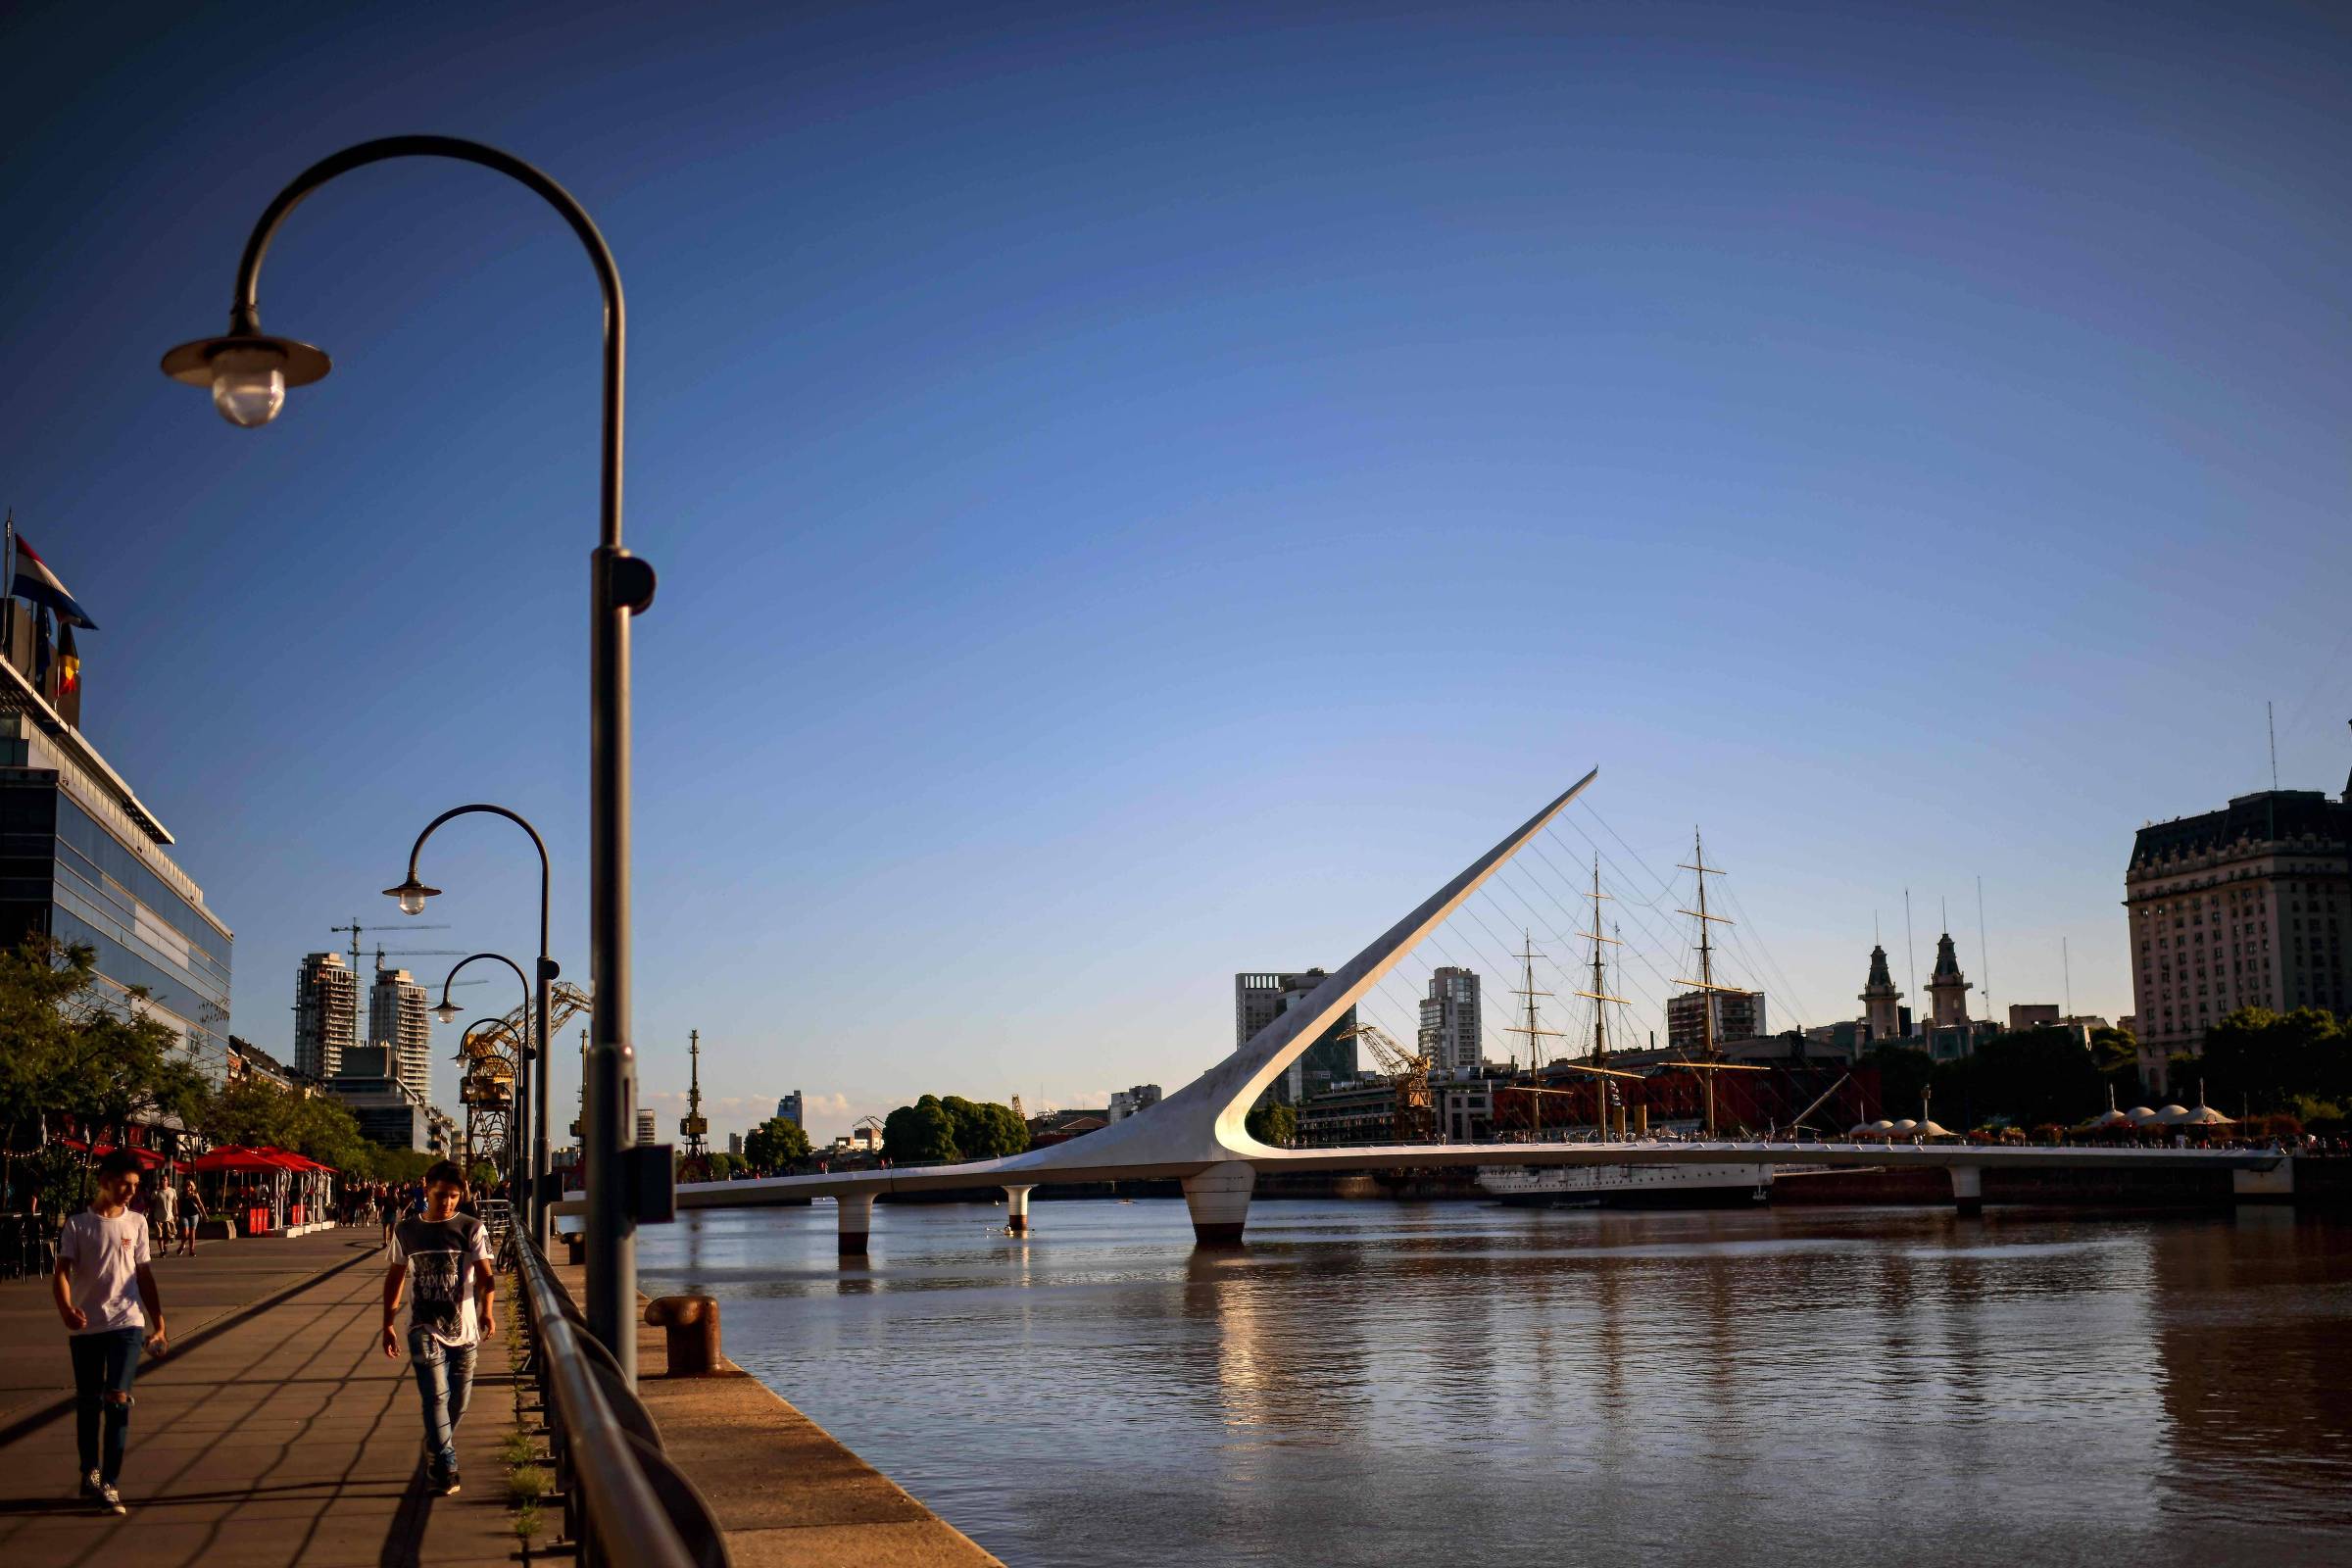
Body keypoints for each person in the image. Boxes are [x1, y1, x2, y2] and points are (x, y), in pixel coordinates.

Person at [53, 1151, 169, 1515]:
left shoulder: (137, 1223)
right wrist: (66, 1310)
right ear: (105, 1180)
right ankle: (90, 1471)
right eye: (125, 1184)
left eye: (135, 1186)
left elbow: (145, 1276)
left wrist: (159, 1324)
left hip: (127, 1324)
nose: (130, 1192)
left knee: (117, 1399)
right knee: (89, 1403)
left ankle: (111, 1483)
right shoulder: (77, 1225)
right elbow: (61, 1274)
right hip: (87, 1326)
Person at [381, 1160, 495, 1496]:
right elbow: (396, 1277)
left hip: (465, 1329)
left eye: (453, 1196)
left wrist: (488, 1311)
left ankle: (435, 1445)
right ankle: (446, 1464)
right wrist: (387, 1323)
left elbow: (487, 1276)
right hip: (423, 1325)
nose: (446, 1202)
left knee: (458, 1402)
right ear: (426, 1188)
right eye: (441, 1195)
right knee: (436, 1396)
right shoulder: (407, 1230)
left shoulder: (471, 1228)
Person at [174, 1179, 205, 1257]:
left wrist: (205, 1215)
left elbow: (200, 1205)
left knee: (192, 1233)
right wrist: (176, 1215)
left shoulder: (195, 1194)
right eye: (186, 1185)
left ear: (192, 1187)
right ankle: (182, 1245)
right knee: (185, 1232)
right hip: (184, 1215)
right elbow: (178, 1205)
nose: (188, 1187)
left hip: (194, 1215)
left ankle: (191, 1250)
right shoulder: (181, 1195)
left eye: (189, 1185)